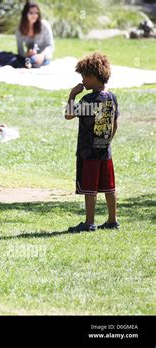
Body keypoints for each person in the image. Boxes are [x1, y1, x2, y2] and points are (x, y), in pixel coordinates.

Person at [65, 52, 120, 232]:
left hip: (88, 152)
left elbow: (68, 114)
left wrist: (73, 94)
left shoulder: (88, 99)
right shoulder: (111, 97)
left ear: (93, 76)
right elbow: (115, 124)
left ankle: (89, 222)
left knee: (90, 188)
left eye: (84, 77)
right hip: (105, 150)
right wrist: (107, 142)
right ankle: (112, 220)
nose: (83, 81)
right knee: (109, 187)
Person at [16, 1, 54, 68]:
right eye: (31, 13)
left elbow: (50, 45)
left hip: (43, 57)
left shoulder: (44, 26)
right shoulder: (20, 28)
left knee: (33, 62)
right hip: (28, 57)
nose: (34, 15)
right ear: (25, 14)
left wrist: (42, 55)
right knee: (19, 61)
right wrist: (26, 54)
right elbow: (20, 50)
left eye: (36, 13)